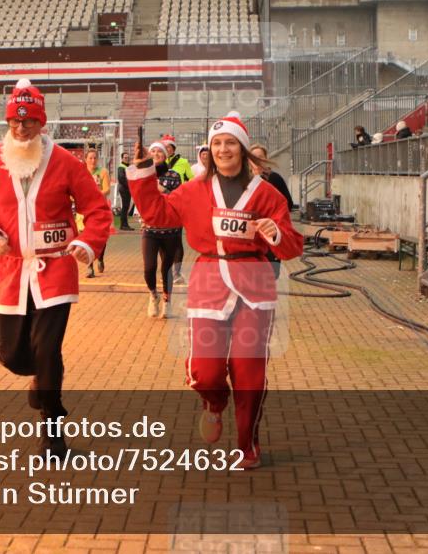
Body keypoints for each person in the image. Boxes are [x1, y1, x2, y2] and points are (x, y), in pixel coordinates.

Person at [127, 111, 304, 470]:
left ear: (242, 148)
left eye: (230, 143)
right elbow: (158, 215)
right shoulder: (194, 191)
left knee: (249, 370)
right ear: (209, 149)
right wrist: (144, 172)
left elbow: (292, 246)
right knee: (204, 372)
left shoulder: (266, 194)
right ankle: (213, 402)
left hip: (255, 284)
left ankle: (246, 443)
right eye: (217, 143)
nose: (224, 149)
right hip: (209, 281)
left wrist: (275, 233)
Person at [0, 79, 112, 456]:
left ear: (41, 124)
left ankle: (52, 429)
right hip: (12, 272)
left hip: (55, 271)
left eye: (29, 123)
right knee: (11, 354)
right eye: (15, 121)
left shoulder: (65, 162)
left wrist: (85, 243)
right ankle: (41, 387)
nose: (21, 129)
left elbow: (97, 210)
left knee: (47, 351)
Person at [140, 141, 183, 319]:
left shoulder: (173, 175)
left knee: (166, 269)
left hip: (170, 230)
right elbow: (138, 195)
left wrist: (161, 188)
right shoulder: (144, 175)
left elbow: (177, 198)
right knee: (149, 268)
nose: (156, 153)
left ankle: (167, 301)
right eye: (153, 151)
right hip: (150, 229)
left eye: (160, 151)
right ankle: (153, 295)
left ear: (166, 155)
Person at [249, 143, 294, 280]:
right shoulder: (243, 180)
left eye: (260, 157)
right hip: (250, 234)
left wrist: (274, 219)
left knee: (271, 275)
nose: (257, 160)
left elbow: (288, 204)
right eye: (253, 157)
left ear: (266, 158)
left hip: (269, 233)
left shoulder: (274, 178)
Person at [160, 134, 192, 284]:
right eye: (164, 147)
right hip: (161, 206)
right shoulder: (158, 162)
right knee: (160, 241)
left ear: (173, 148)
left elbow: (191, 180)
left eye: (168, 147)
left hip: (178, 204)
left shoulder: (183, 162)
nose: (166, 149)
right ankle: (165, 272)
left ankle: (177, 273)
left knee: (177, 240)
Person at [84, 148, 112, 277]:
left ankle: (100, 257)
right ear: (86, 159)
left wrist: (95, 195)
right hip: (85, 209)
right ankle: (89, 266)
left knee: (101, 238)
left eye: (95, 158)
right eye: (90, 158)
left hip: (100, 208)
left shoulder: (103, 172)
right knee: (86, 238)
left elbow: (107, 190)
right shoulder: (82, 172)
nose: (93, 160)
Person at [116, 151, 134, 231]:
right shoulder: (121, 167)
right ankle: (124, 225)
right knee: (125, 207)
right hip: (124, 189)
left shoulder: (126, 166)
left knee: (125, 207)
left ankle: (124, 224)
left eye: (128, 157)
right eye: (125, 158)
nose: (127, 159)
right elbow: (122, 179)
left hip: (125, 188)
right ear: (122, 158)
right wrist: (130, 186)